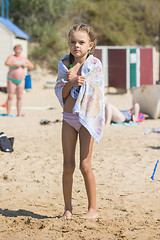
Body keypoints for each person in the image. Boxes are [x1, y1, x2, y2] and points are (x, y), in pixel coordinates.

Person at [54, 23, 105, 219]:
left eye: (81, 42)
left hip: (87, 119)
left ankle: (92, 209)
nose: (77, 46)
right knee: (68, 165)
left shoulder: (95, 65)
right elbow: (62, 93)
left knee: (85, 164)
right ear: (69, 44)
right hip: (68, 119)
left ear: (90, 45)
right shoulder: (63, 64)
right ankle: (68, 208)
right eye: (73, 42)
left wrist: (79, 78)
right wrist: (71, 82)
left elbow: (96, 92)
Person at [5, 44, 34, 116]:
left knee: (19, 96)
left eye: (19, 49)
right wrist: (15, 64)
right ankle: (8, 113)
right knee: (10, 96)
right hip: (11, 79)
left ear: (21, 50)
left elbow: (32, 66)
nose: (17, 51)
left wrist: (26, 65)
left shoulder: (23, 59)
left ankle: (19, 113)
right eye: (16, 49)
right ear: (14, 50)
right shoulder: (11, 57)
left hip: (21, 80)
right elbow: (6, 63)